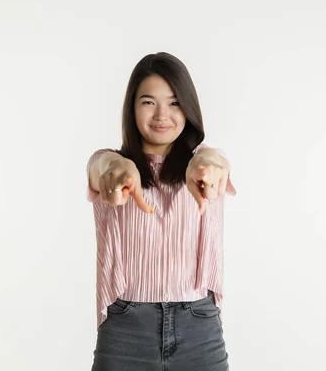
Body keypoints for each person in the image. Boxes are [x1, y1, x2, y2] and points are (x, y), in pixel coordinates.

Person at [86, 52, 236, 370]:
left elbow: (214, 162)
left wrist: (205, 163)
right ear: (132, 108)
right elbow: (104, 167)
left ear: (188, 108)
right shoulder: (108, 163)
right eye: (148, 102)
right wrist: (117, 167)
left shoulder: (206, 163)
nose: (161, 115)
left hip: (199, 328)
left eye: (174, 102)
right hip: (126, 330)